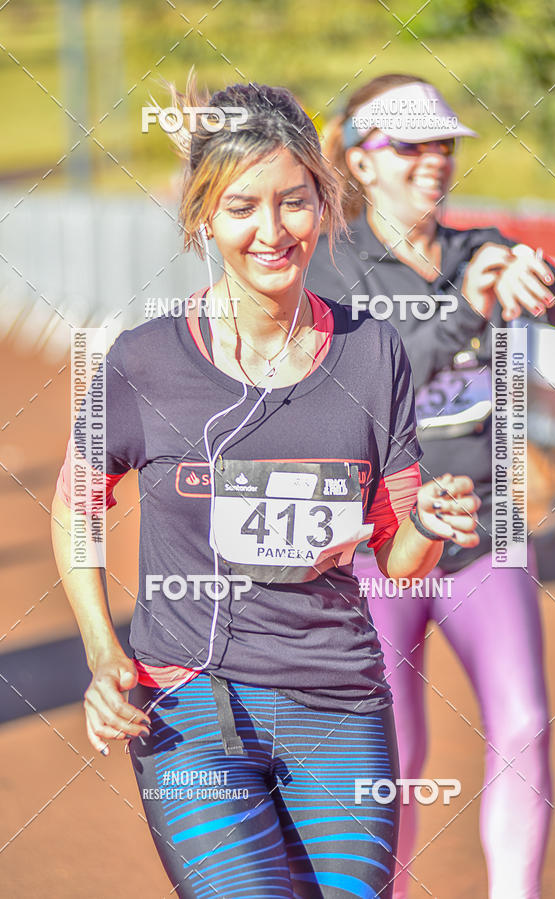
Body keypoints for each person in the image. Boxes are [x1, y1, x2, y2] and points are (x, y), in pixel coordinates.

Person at [51, 76, 481, 899]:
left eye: (293, 202)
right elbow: (79, 509)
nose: (271, 230)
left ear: (324, 202)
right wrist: (104, 654)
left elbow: (399, 557)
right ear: (203, 218)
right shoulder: (143, 361)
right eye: (242, 206)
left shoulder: (371, 353)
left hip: (339, 702)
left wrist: (425, 516)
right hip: (189, 707)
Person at [307, 73, 555, 899]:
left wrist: (539, 279)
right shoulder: (329, 269)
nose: (433, 161)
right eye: (410, 146)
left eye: (443, 145)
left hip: (487, 537)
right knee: (398, 753)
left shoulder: (481, 249)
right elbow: (375, 384)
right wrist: (468, 315)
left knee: (524, 727)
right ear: (363, 163)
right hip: (379, 551)